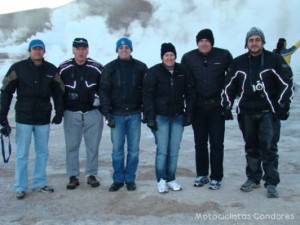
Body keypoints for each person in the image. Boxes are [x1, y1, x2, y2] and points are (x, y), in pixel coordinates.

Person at [221, 27, 294, 198]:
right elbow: (228, 86)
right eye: (251, 40)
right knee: (251, 147)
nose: (254, 43)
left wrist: (283, 105)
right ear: (246, 44)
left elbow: (287, 83)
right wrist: (226, 105)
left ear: (263, 42)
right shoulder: (238, 62)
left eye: (257, 40)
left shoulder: (274, 60)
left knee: (269, 148)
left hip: (268, 112)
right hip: (246, 112)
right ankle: (253, 178)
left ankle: (271, 182)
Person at [0, 39, 64, 200]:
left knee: (42, 152)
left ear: (44, 51)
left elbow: (59, 92)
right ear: (29, 51)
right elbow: (6, 92)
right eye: (34, 49)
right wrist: (2, 116)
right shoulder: (18, 68)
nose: (37, 52)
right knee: (22, 154)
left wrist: (59, 112)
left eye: (40, 49)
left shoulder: (51, 70)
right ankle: (21, 186)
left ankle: (39, 183)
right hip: (24, 118)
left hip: (43, 118)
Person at [181, 29, 233, 190]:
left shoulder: (223, 55)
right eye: (201, 41)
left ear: (212, 42)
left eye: (207, 40)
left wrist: (228, 103)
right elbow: (183, 81)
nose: (204, 43)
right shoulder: (188, 58)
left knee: (217, 143)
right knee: (200, 143)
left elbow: (232, 79)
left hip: (217, 107)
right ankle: (202, 174)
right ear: (197, 43)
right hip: (198, 107)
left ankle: (216, 177)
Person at [143, 43, 195, 193]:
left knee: (174, 150)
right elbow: (147, 96)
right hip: (161, 117)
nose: (169, 57)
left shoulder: (183, 71)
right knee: (162, 150)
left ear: (175, 56)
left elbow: (190, 93)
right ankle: (161, 180)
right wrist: (150, 117)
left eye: (172, 54)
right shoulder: (154, 72)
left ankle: (171, 178)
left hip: (178, 116)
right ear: (162, 57)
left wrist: (188, 113)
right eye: (166, 55)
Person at [100, 37, 147, 192]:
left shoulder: (140, 67)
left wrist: (146, 112)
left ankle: (130, 179)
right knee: (117, 150)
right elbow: (104, 93)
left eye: (127, 47)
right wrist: (107, 115)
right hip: (117, 115)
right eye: (121, 48)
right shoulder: (109, 68)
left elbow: (147, 91)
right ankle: (118, 179)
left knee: (133, 150)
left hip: (134, 114)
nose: (124, 50)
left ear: (131, 49)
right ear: (117, 50)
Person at [58, 38, 104, 190]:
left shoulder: (97, 67)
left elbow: (106, 88)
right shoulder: (63, 68)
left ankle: (91, 174)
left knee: (93, 146)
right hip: (71, 113)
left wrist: (102, 104)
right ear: (73, 50)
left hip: (93, 113)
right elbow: (56, 91)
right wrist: (59, 111)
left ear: (88, 50)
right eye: (78, 48)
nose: (81, 51)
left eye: (84, 48)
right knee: (72, 146)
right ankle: (73, 176)